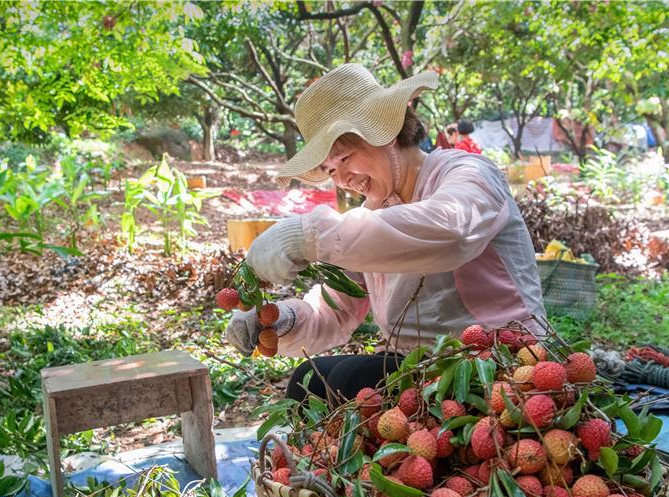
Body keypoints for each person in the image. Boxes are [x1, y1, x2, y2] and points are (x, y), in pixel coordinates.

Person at [225, 64, 545, 402]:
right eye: (331, 170)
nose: (342, 179)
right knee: (310, 379)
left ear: (386, 131)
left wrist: (309, 237)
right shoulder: (371, 217)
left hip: (498, 361)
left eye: (345, 158)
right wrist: (282, 320)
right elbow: (336, 309)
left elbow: (451, 231)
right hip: (416, 367)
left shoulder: (468, 173)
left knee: (352, 378)